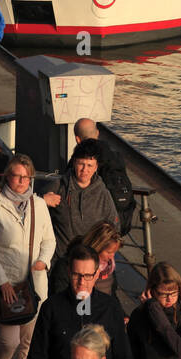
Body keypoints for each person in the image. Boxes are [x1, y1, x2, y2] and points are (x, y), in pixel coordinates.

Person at [24, 242, 135, 359]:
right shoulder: (51, 308)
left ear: (97, 274)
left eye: (88, 276)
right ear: (69, 272)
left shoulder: (110, 308)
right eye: (76, 275)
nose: (82, 282)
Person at [0, 154, 56, 359]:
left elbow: (49, 240)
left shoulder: (38, 204)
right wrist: (1, 281)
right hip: (8, 285)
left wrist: (43, 261)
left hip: (34, 285)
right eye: (17, 176)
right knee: (9, 340)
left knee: (30, 342)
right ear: (7, 176)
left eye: (27, 176)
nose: (22, 181)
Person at [44, 140, 118, 291]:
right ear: (74, 163)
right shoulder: (57, 187)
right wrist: (41, 201)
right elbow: (33, 217)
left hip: (92, 270)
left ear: (96, 167)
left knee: (90, 310)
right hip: (63, 267)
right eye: (81, 164)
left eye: (90, 165)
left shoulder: (103, 194)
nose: (85, 170)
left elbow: (114, 229)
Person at [70, 116, 137, 235]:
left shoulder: (82, 158)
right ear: (98, 133)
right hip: (123, 220)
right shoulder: (115, 155)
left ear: (77, 139)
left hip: (100, 227)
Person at [80, 221, 121, 299]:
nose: (112, 256)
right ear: (97, 247)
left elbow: (112, 294)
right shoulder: (77, 266)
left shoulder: (108, 267)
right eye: (109, 252)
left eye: (114, 252)